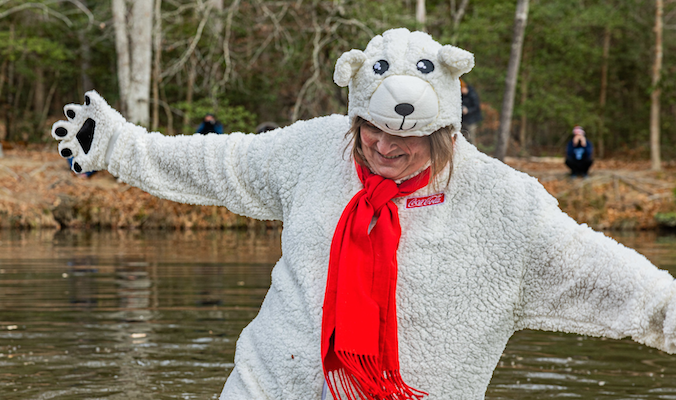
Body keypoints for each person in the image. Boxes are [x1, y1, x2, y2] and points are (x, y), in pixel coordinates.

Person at [51, 29, 676, 400]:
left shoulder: (504, 205)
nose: (383, 146)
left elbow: (611, 277)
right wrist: (118, 146)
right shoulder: (317, 149)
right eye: (370, 128)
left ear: (447, 129)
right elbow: (221, 163)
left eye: (407, 136)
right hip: (268, 386)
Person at [460, 79, 482, 144]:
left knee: (471, 138)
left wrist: (468, 110)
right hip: (463, 120)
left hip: (472, 120)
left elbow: (476, 107)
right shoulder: (462, 96)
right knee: (464, 138)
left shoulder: (472, 94)